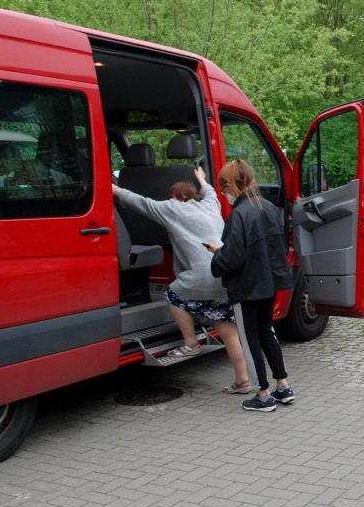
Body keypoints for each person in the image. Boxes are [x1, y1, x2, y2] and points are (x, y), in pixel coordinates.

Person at [112, 167, 252, 393]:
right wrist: (202, 179)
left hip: (199, 276)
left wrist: (114, 188)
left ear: (175, 197)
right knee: (228, 331)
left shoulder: (171, 209)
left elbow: (141, 202)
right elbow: (211, 193)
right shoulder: (210, 205)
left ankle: (191, 342)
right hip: (225, 272)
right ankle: (243, 380)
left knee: (172, 294)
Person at [208, 159, 295, 413]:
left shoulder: (238, 214)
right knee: (267, 332)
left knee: (250, 338)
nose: (223, 194)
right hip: (269, 282)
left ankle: (263, 394)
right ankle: (283, 386)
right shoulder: (267, 207)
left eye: (223, 188)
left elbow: (234, 256)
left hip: (246, 286)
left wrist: (217, 256)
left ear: (229, 185)